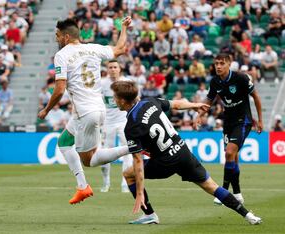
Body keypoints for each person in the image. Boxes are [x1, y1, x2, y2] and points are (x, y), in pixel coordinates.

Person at [111, 80, 262, 225]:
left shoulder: (131, 126)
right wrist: (194, 105)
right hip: (182, 151)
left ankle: (149, 214)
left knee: (129, 174)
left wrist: (139, 192)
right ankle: (248, 215)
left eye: (115, 97)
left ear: (123, 100)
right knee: (211, 186)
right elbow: (176, 104)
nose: (114, 100)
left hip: (164, 162)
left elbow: (137, 160)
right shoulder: (149, 101)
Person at [37, 17, 132, 204]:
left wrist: (46, 110)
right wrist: (123, 28)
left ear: (65, 36)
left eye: (57, 35)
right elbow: (120, 49)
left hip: (85, 113)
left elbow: (59, 88)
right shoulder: (94, 48)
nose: (56, 39)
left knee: (90, 161)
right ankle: (82, 186)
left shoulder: (62, 55)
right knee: (64, 141)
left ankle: (134, 147)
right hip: (96, 108)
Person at [195, 53, 263, 205]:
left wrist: (260, 120)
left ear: (229, 64)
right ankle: (237, 193)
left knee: (229, 152)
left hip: (243, 120)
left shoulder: (241, 78)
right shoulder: (215, 81)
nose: (218, 66)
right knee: (233, 157)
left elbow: (256, 97)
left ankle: (223, 190)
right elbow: (209, 100)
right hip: (228, 122)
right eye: (216, 63)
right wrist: (199, 115)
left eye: (222, 63)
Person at [99, 59, 133, 193]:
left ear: (120, 69)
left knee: (127, 152)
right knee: (105, 154)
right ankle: (106, 182)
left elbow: (134, 101)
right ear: (107, 70)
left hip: (124, 122)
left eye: (115, 67)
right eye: (110, 67)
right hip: (108, 123)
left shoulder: (127, 83)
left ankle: (125, 183)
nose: (113, 69)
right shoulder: (102, 83)